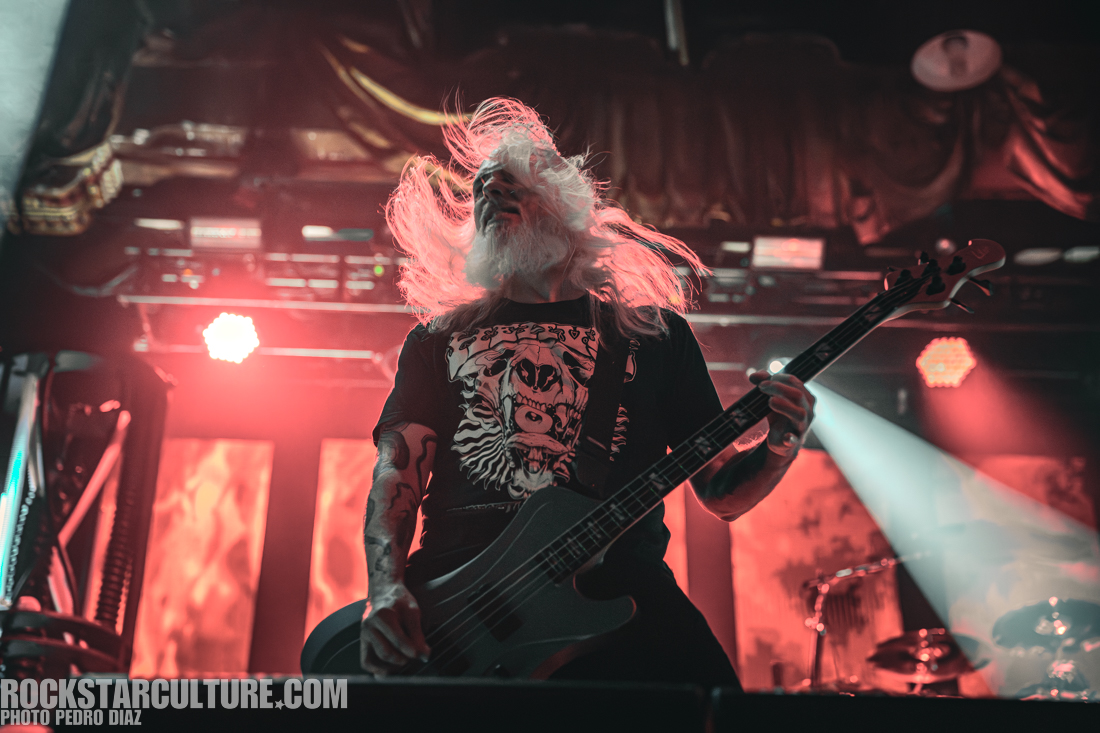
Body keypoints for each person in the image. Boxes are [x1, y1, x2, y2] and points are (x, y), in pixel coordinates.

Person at [359, 98, 815, 686]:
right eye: (481, 191)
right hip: (460, 600)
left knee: (716, 708)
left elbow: (721, 492)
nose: (489, 197)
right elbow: (397, 474)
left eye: (510, 186)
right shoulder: (436, 341)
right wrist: (386, 588)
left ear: (564, 207)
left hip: (619, 585)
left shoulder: (651, 336)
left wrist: (779, 445)